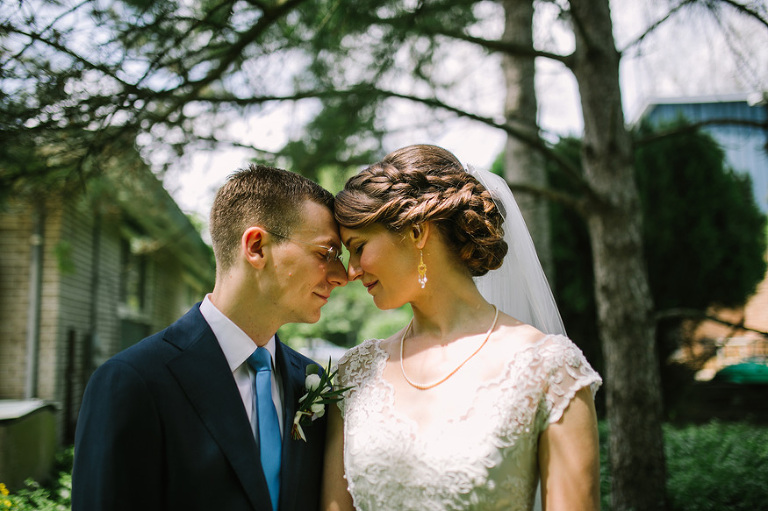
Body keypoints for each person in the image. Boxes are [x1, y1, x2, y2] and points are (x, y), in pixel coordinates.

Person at [322, 144, 602, 511]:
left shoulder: (550, 370)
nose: (352, 270)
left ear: (417, 232)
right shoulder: (353, 375)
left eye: (359, 247)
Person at [72, 164, 348, 511]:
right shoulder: (132, 382)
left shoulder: (312, 382)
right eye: (326, 254)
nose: (342, 275)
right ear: (257, 247)